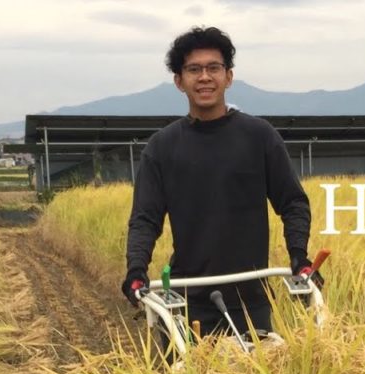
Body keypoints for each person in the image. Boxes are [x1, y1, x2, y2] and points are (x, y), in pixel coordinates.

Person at [122, 26, 317, 337]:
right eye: (194, 69)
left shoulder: (259, 137)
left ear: (228, 76)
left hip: (251, 303)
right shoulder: (162, 147)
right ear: (179, 80)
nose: (204, 77)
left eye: (214, 67)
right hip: (186, 302)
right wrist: (136, 271)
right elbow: (145, 219)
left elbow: (292, 203)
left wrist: (299, 257)